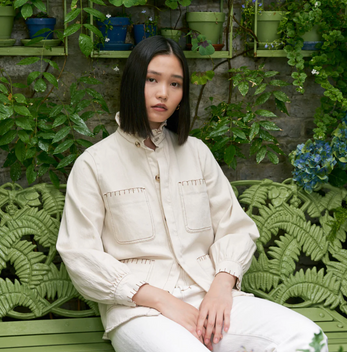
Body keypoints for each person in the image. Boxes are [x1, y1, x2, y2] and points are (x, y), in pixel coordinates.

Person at [56, 36, 328, 352]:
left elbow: (234, 227)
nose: (163, 93)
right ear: (132, 83)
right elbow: (80, 254)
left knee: (307, 341)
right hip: (140, 311)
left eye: (175, 84)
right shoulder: (94, 163)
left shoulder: (196, 153)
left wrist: (222, 287)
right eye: (152, 80)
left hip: (211, 295)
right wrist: (161, 300)